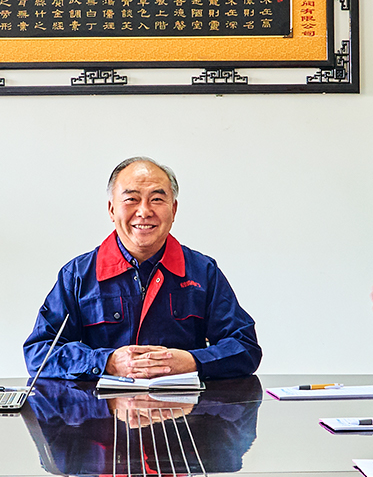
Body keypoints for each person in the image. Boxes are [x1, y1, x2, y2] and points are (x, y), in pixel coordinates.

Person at [24, 157, 263, 379]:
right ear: (112, 209)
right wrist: (107, 362)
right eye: (131, 199)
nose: (144, 211)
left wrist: (192, 361)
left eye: (157, 199)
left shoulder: (203, 271)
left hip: (185, 407)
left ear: (173, 210)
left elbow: (245, 347)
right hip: (102, 409)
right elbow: (39, 353)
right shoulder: (78, 274)